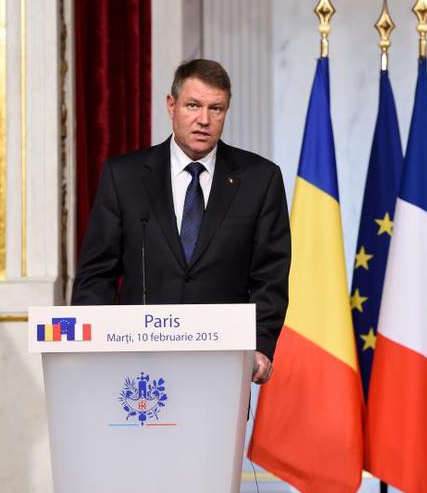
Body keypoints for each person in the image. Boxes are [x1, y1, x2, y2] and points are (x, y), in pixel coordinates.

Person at [72, 59, 291, 383]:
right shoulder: (125, 176)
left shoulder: (260, 179)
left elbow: (270, 276)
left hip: (221, 368)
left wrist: (260, 345)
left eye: (216, 109)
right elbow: (96, 274)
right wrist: (91, 346)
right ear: (171, 105)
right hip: (137, 368)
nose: (204, 119)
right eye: (193, 105)